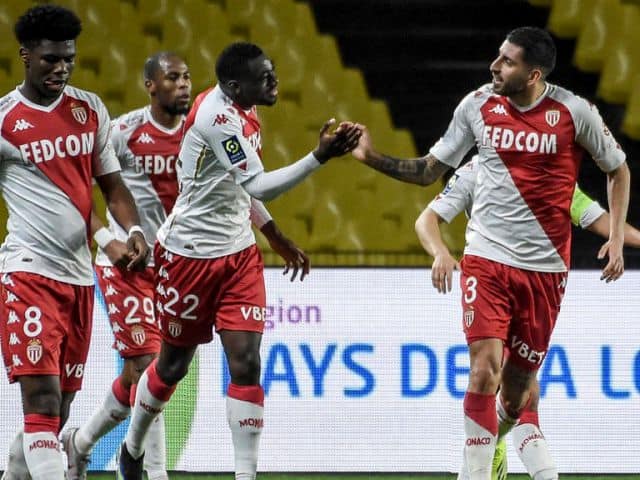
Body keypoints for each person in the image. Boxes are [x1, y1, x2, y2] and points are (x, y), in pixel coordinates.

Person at [352, 26, 630, 480]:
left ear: (534, 73)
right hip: (487, 260)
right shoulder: (477, 105)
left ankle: (497, 438)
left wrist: (616, 236)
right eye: (498, 57)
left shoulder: (574, 112)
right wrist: (371, 157)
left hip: (545, 270)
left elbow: (618, 170)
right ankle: (474, 474)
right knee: (484, 370)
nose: (494, 66)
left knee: (517, 392)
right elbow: (428, 172)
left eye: (507, 61)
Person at [117, 41, 361, 480]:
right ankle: (132, 447)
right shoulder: (217, 117)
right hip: (187, 256)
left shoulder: (247, 109)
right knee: (173, 365)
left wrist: (275, 236)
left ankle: (244, 475)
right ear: (233, 86)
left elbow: (239, 190)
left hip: (238, 256)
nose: (274, 81)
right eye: (263, 77)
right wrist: (319, 156)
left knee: (246, 361)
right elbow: (260, 185)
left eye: (273, 72)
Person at [414, 155, 640, 479]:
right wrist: (440, 252)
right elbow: (427, 219)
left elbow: (601, 221)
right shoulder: (477, 169)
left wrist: (623, 238)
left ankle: (488, 449)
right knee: (488, 371)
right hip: (493, 284)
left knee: (524, 395)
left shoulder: (553, 177)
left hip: (534, 290)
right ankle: (496, 466)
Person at [0, 5, 149, 480]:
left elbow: (113, 186)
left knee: (58, 411)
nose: (61, 68)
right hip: (27, 271)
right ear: (25, 55)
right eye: (50, 59)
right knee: (39, 400)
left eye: (68, 59)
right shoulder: (4, 119)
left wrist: (135, 231)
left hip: (79, 277)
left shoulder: (89, 110)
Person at [59, 51, 192, 480]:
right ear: (150, 84)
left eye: (187, 77)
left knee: (147, 375)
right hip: (126, 265)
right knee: (152, 365)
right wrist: (109, 238)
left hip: (175, 268)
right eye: (173, 78)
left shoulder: (198, 134)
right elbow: (78, 185)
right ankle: (150, 472)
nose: (184, 85)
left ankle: (79, 442)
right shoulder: (122, 131)